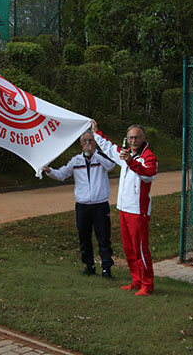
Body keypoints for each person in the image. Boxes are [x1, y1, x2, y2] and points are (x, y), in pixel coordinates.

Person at [90, 120, 158, 296]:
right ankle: (136, 281)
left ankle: (147, 284)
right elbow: (109, 147)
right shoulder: (125, 154)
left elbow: (149, 174)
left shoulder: (148, 157)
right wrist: (96, 132)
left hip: (138, 211)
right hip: (124, 208)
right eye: (130, 138)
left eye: (136, 137)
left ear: (143, 138)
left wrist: (130, 162)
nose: (133, 141)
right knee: (129, 249)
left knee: (140, 249)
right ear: (126, 139)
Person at [42, 130, 116, 278]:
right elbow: (62, 174)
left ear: (95, 143)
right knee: (84, 237)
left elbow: (111, 166)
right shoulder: (76, 160)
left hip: (100, 204)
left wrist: (94, 153)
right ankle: (89, 266)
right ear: (81, 143)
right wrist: (49, 171)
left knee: (103, 237)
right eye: (85, 141)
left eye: (91, 140)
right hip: (82, 205)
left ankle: (106, 268)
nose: (88, 143)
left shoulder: (101, 157)